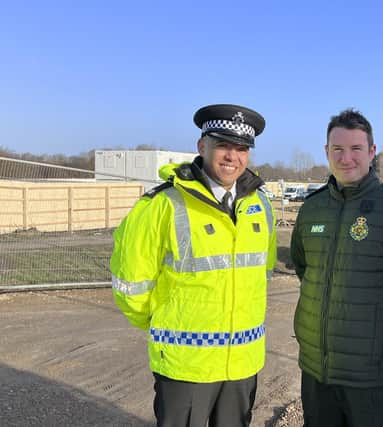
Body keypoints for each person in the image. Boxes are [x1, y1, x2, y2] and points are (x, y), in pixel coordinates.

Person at [111, 104, 276, 427]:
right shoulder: (162, 205)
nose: (232, 156)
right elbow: (130, 283)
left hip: (242, 365)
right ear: (202, 147)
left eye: (241, 148)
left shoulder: (262, 207)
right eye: (223, 146)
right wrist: (162, 323)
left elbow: (261, 275)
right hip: (186, 366)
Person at [290, 108, 383, 427]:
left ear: (372, 152)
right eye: (338, 149)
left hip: (374, 374)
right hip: (318, 370)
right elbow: (305, 269)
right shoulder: (312, 209)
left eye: (356, 149)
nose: (346, 158)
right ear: (327, 152)